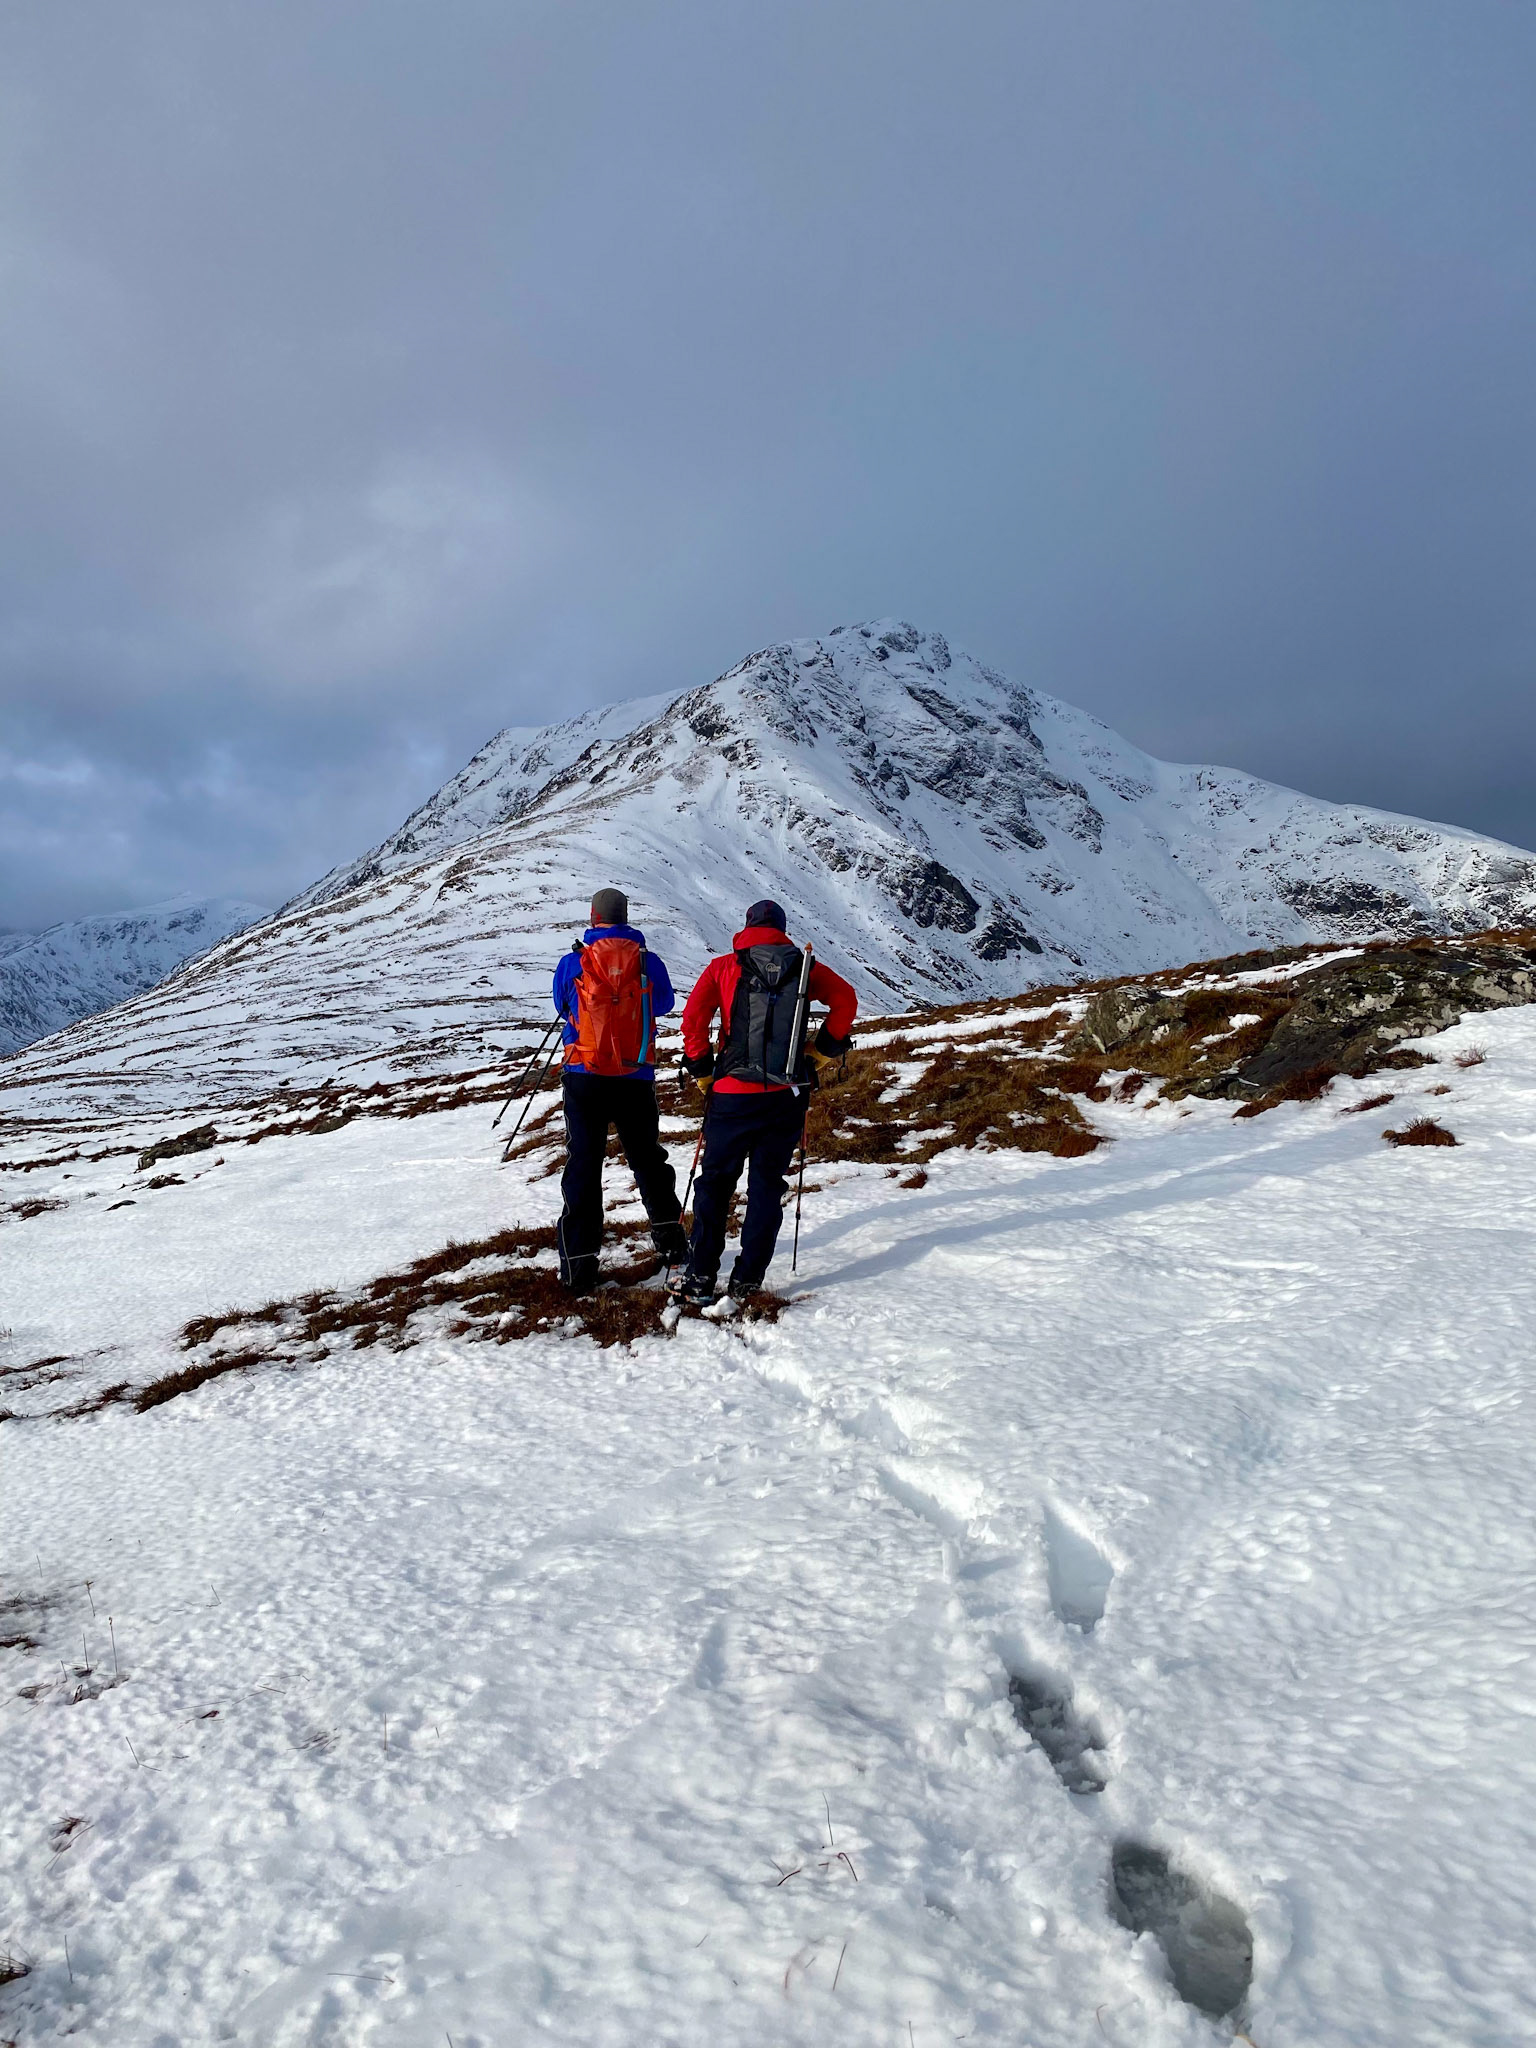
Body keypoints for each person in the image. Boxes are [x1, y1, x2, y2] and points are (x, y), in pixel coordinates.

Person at [676, 897, 856, 1302]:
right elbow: (846, 1000)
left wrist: (704, 1072)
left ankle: (700, 1276)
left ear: (747, 926)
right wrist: (820, 1054)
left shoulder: (724, 966)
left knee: (715, 1185)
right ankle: (747, 1281)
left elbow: (693, 1021)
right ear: (782, 930)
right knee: (766, 1187)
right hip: (785, 1096)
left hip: (731, 1095)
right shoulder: (804, 968)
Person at [554, 886, 689, 1293]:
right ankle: (672, 1244)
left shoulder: (573, 961)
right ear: (626, 917)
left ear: (594, 917)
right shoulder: (648, 961)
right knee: (648, 1159)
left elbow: (563, 1005)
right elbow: (663, 1004)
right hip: (635, 1075)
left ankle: (578, 1267)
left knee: (584, 1164)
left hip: (584, 1074)